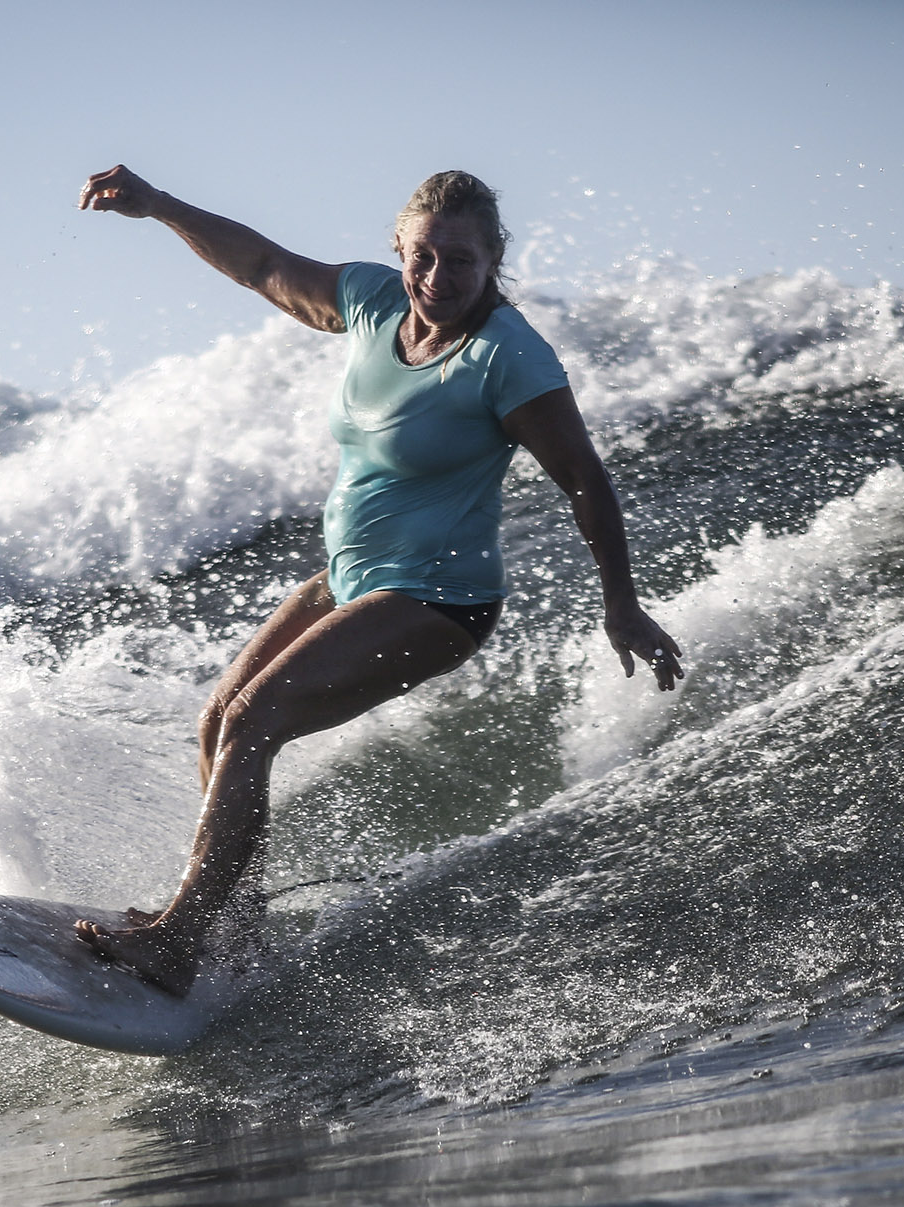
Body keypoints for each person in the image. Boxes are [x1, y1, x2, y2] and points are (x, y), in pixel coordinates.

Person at [72, 164, 683, 995]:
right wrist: (158, 206)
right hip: (351, 576)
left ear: (494, 259)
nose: (437, 279)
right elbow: (261, 265)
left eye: (460, 262)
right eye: (423, 257)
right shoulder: (370, 301)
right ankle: (233, 925)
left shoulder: (509, 356)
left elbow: (584, 479)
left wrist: (622, 604)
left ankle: (181, 939)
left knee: (255, 721)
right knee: (219, 722)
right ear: (397, 247)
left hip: (438, 598)